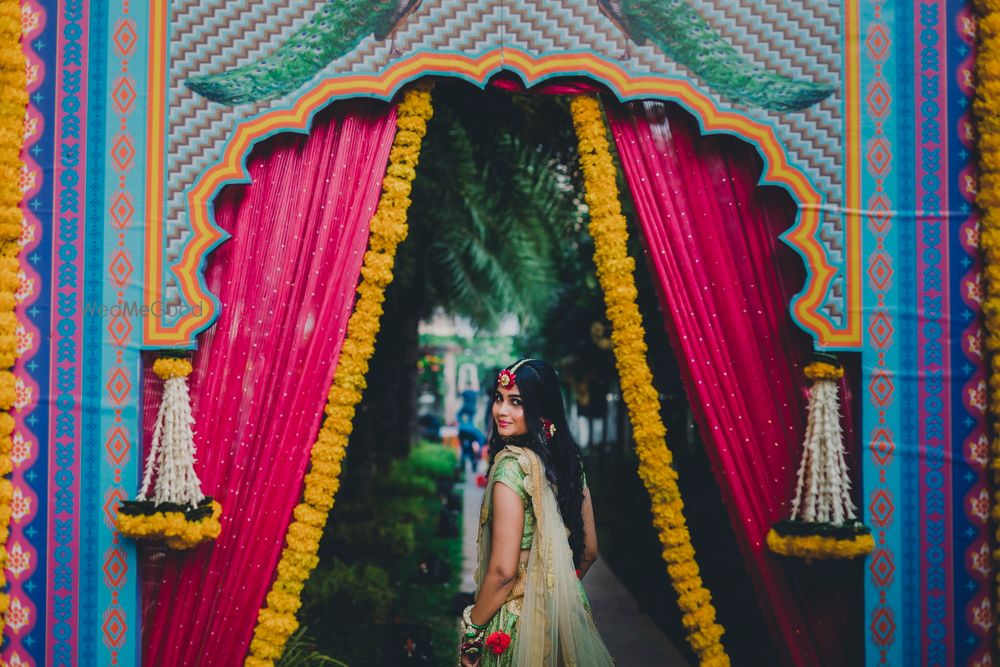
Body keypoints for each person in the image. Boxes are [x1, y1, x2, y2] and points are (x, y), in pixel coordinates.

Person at [460, 359, 613, 666]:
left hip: (514, 625)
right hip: (564, 618)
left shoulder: (511, 468)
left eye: (516, 402)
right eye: (499, 399)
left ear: (542, 411)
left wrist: (473, 630)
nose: (501, 411)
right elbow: (590, 551)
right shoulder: (568, 462)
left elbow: (504, 572)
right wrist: (556, 590)